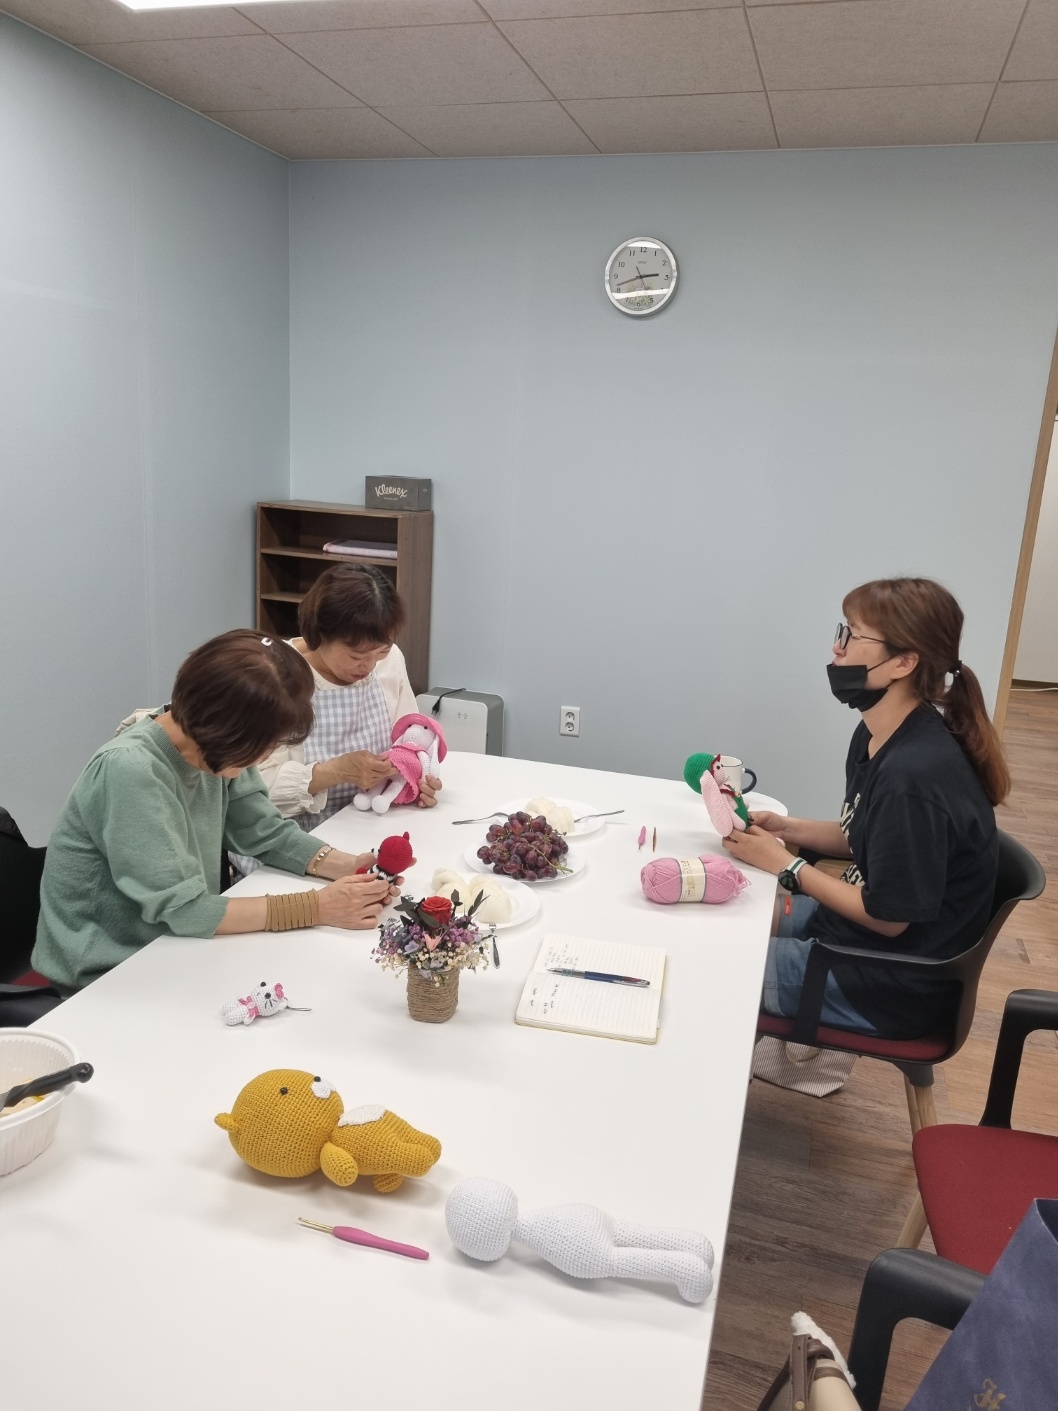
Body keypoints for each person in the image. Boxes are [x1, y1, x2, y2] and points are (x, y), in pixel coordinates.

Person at [32, 631, 405, 994]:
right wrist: (318, 907)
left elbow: (264, 832)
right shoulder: (132, 770)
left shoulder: (208, 746)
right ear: (227, 730)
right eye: (264, 745)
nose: (264, 757)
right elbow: (186, 911)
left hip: (173, 949)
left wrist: (350, 867)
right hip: (107, 974)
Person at [724, 577, 1008, 1040]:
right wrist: (785, 827)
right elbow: (862, 833)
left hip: (885, 981)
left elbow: (889, 919)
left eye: (853, 636)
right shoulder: (879, 734)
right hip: (851, 933)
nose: (837, 649)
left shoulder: (913, 777)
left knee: (706, 963)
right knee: (716, 919)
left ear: (903, 662)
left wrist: (787, 866)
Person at [247, 564, 441, 841]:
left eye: (381, 651)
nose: (369, 665)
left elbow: (410, 740)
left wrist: (414, 779)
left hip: (368, 821)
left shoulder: (390, 661)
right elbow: (252, 791)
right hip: (289, 837)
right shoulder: (275, 675)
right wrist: (336, 771)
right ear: (318, 635)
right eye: (356, 655)